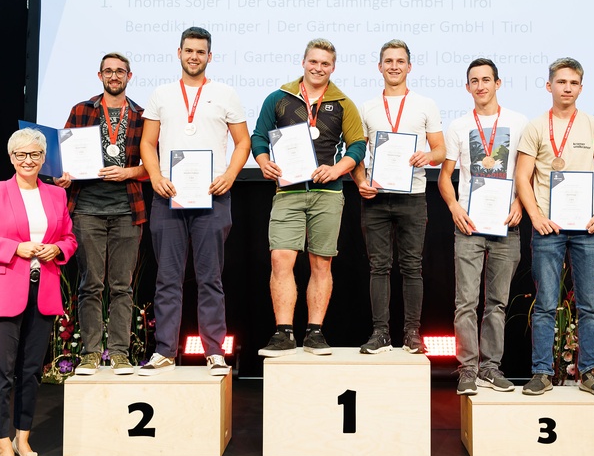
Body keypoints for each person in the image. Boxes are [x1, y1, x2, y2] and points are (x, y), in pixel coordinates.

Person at [0, 128, 77, 456]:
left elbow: (69, 238)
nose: (28, 160)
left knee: (31, 373)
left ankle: (22, 439)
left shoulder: (57, 195)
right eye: (21, 154)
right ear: (11, 157)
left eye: (35, 154)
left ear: (44, 158)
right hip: (1, 294)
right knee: (0, 374)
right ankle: (2, 446)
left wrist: (58, 249)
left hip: (43, 293)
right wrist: (16, 247)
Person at [138, 27, 250, 376]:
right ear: (179, 53)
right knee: (167, 279)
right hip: (168, 196)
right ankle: (165, 352)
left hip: (213, 197)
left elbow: (243, 142)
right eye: (189, 50)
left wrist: (230, 174)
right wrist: (155, 176)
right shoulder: (162, 94)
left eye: (201, 52)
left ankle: (214, 351)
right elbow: (147, 143)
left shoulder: (225, 93)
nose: (194, 57)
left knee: (210, 278)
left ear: (209, 56)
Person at [252, 38, 366, 357]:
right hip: (287, 192)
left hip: (327, 193)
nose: (318, 68)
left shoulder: (343, 103)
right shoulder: (278, 98)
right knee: (280, 258)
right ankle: (283, 332)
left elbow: (357, 145)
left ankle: (315, 332)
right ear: (303, 62)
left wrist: (337, 169)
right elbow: (259, 137)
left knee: (321, 262)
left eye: (325, 63)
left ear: (333, 67)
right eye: (313, 62)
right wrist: (263, 161)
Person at [515, 57, 594, 397]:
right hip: (549, 228)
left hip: (588, 228)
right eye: (561, 82)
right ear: (549, 86)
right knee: (545, 304)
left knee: (589, 305)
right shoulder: (535, 127)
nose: (567, 88)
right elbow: (523, 177)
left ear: (581, 88)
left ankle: (589, 373)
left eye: (573, 83)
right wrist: (535, 216)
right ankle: (542, 372)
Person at [438, 58, 528, 394]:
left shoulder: (519, 123)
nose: (480, 86)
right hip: (470, 225)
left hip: (506, 224)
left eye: (486, 79)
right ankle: (468, 370)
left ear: (497, 83)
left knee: (497, 303)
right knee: (465, 302)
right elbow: (445, 177)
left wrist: (521, 203)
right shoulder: (459, 126)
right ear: (467, 87)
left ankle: (490, 368)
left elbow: (528, 172)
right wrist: (454, 207)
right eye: (474, 81)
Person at [55, 53, 147, 376]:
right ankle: (91, 354)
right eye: (108, 71)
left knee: (122, 286)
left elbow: (153, 167)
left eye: (120, 71)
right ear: (100, 75)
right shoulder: (81, 110)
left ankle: (119, 353)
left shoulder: (142, 116)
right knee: (90, 285)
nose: (114, 76)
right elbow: (63, 158)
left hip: (126, 210)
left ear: (129, 76)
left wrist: (128, 173)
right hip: (87, 211)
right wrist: (63, 176)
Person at [353, 39, 445, 355]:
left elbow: (440, 150)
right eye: (389, 61)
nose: (394, 66)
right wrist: (360, 180)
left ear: (409, 67)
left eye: (400, 61)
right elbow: (356, 152)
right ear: (380, 67)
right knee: (379, 267)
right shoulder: (366, 107)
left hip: (413, 196)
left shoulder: (425, 104)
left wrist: (427, 156)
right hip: (376, 197)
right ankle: (380, 333)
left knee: (411, 267)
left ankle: (412, 333)